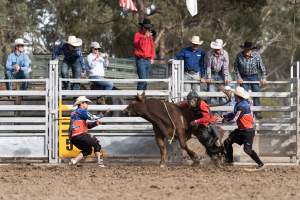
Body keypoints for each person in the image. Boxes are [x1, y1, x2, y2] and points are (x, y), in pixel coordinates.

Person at [221, 86, 264, 170]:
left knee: (247, 150)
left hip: (247, 131)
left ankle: (260, 163)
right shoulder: (239, 104)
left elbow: (234, 119)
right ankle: (229, 161)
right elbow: (234, 114)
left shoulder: (242, 106)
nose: (233, 96)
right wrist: (224, 116)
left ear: (237, 96)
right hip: (241, 130)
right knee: (227, 142)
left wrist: (223, 120)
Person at [179, 90, 224, 156]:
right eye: (188, 100)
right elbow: (180, 106)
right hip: (200, 124)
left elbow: (207, 118)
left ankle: (221, 148)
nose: (190, 102)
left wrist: (195, 121)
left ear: (195, 99)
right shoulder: (189, 103)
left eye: (191, 100)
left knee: (208, 142)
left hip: (209, 123)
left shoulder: (202, 104)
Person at [234, 41, 267, 119]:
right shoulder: (239, 56)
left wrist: (263, 77)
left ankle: (257, 112)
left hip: (254, 76)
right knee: (243, 95)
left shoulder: (256, 55)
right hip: (243, 77)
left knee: (256, 93)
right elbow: (236, 67)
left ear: (251, 50)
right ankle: (244, 111)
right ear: (244, 49)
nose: (247, 51)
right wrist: (238, 77)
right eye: (246, 50)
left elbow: (261, 67)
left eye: (249, 50)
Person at [68, 96, 105, 167]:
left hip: (73, 137)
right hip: (80, 135)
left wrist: (95, 124)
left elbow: (84, 126)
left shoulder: (74, 113)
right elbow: (92, 117)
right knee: (96, 142)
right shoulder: (81, 111)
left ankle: (74, 161)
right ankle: (100, 162)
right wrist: (102, 115)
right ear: (81, 103)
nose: (87, 104)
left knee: (88, 150)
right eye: (86, 103)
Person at [206, 39, 230, 106]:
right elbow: (208, 66)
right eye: (216, 48)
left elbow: (225, 67)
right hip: (212, 74)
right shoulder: (210, 54)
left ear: (222, 47)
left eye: (218, 49)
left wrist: (226, 77)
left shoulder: (225, 54)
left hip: (221, 74)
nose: (217, 50)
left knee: (222, 95)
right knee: (212, 94)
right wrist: (209, 77)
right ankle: (213, 114)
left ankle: (222, 115)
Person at [133, 18, 155, 90]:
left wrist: (152, 58)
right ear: (142, 27)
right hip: (140, 60)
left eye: (149, 28)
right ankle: (138, 96)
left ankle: (142, 96)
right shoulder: (137, 35)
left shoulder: (150, 37)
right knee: (142, 80)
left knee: (146, 81)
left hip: (148, 60)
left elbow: (152, 47)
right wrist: (144, 37)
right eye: (146, 28)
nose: (147, 29)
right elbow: (137, 45)